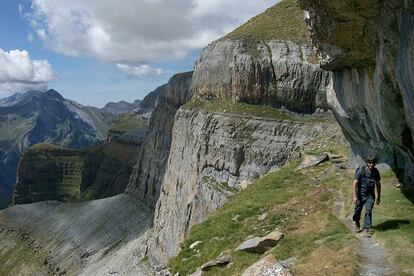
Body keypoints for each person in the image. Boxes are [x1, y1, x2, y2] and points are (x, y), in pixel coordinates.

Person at [352, 155, 381, 237]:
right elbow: (355, 183)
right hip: (360, 194)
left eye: (373, 163)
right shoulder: (361, 171)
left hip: (370, 195)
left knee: (368, 210)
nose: (371, 165)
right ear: (367, 162)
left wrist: (379, 196)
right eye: (369, 163)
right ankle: (357, 223)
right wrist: (355, 196)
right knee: (357, 211)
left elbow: (378, 184)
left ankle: (367, 229)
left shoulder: (376, 172)